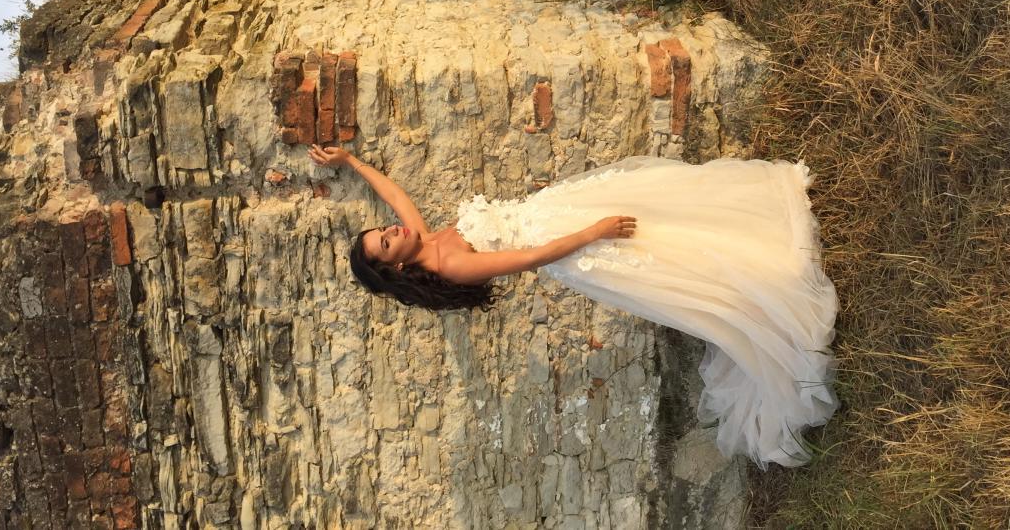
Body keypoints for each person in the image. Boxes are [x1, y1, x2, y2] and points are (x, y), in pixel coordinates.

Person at [313, 143, 839, 467]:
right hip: (569, 244)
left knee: (661, 215)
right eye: (386, 242)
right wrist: (593, 232)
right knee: (662, 256)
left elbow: (396, 196)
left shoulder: (424, 237)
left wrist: (351, 162)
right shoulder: (450, 265)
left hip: (556, 214)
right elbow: (531, 257)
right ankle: (765, 285)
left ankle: (751, 242)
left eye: (383, 230)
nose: (393, 230)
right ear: (397, 268)